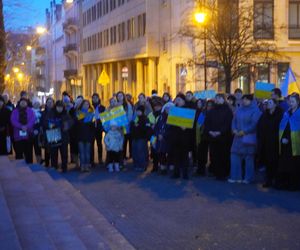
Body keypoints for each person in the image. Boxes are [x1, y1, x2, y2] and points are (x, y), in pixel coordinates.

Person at [229, 94, 262, 184]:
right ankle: (235, 176)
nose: (244, 101)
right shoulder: (239, 109)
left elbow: (254, 124)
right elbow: (234, 120)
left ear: (251, 101)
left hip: (248, 137)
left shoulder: (256, 111)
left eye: (246, 99)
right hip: (237, 137)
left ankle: (248, 178)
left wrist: (244, 131)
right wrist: (234, 129)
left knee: (249, 158)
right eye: (243, 99)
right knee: (234, 155)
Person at [204, 94, 233, 180]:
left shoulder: (227, 110)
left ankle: (223, 173)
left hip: (223, 137)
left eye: (219, 98)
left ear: (223, 100)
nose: (217, 100)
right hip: (213, 136)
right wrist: (210, 131)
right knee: (214, 155)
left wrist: (220, 132)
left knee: (223, 155)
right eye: (216, 98)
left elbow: (228, 123)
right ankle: (216, 172)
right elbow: (207, 122)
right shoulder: (211, 110)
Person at [276, 93, 300, 191]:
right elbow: (283, 126)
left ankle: (293, 185)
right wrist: (282, 138)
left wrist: (289, 139)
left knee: (294, 165)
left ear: (298, 102)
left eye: (293, 101)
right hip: (284, 142)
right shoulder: (286, 113)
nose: (290, 103)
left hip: (295, 143)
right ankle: (284, 183)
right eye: (290, 101)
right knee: (284, 164)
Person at [257, 98, 283, 188]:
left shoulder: (280, 115)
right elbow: (260, 126)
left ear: (275, 104)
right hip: (266, 142)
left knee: (275, 162)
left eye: (270, 103)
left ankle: (276, 180)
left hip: (276, 142)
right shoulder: (265, 115)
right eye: (268, 103)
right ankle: (268, 180)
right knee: (267, 162)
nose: (268, 104)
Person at [45, 101, 73, 172]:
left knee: (64, 152)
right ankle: (54, 166)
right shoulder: (51, 113)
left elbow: (70, 123)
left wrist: (64, 126)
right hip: (54, 135)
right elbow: (46, 122)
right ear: (56, 107)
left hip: (63, 136)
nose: (59, 109)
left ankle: (64, 167)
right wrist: (50, 125)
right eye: (58, 107)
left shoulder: (66, 114)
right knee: (54, 152)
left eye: (61, 107)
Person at [167, 93, 191, 179]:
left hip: (184, 137)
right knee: (176, 155)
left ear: (183, 101)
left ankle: (185, 173)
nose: (177, 101)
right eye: (176, 99)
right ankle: (176, 173)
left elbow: (189, 124)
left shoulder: (187, 109)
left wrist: (183, 125)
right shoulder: (174, 109)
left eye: (179, 100)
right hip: (175, 136)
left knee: (184, 156)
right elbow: (170, 122)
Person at [10, 98, 35, 163]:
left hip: (28, 135)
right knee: (19, 153)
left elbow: (32, 120)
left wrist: (26, 126)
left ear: (27, 103)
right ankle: (19, 168)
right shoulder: (15, 111)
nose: (23, 103)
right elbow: (13, 120)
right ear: (19, 102)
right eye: (22, 102)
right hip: (18, 136)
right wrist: (21, 126)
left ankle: (29, 166)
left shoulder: (30, 111)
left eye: (25, 102)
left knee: (28, 153)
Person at [131, 105, 152, 171]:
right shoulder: (135, 118)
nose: (138, 112)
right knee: (135, 151)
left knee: (141, 151)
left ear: (142, 112)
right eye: (137, 111)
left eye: (139, 111)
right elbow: (132, 126)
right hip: (135, 137)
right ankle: (136, 164)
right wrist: (134, 126)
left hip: (142, 137)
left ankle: (143, 165)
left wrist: (138, 126)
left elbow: (146, 128)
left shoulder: (145, 118)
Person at [76, 100, 95, 172]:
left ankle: (87, 165)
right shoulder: (79, 113)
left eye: (87, 104)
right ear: (82, 105)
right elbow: (77, 124)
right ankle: (82, 165)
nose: (86, 105)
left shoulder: (91, 114)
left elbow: (93, 126)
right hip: (80, 135)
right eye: (84, 104)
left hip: (88, 135)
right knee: (81, 152)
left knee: (87, 152)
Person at [116, 91, 133, 160]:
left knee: (125, 140)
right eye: (118, 96)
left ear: (123, 97)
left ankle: (124, 156)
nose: (120, 97)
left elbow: (130, 115)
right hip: (118, 127)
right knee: (120, 142)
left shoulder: (128, 105)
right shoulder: (116, 104)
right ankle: (121, 157)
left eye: (121, 96)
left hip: (126, 126)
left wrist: (125, 122)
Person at [91, 93, 106, 166]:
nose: (95, 99)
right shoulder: (90, 107)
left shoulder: (102, 107)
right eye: (93, 98)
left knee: (99, 144)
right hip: (91, 128)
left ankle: (100, 159)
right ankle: (92, 160)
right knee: (91, 144)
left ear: (98, 98)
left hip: (99, 128)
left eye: (96, 97)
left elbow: (104, 117)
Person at [41, 97, 55, 167]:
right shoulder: (43, 112)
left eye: (51, 102)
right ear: (46, 103)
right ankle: (47, 163)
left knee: (53, 148)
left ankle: (53, 163)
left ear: (53, 103)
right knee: (47, 149)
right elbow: (42, 122)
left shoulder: (55, 112)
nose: (50, 104)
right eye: (48, 102)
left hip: (54, 132)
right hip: (46, 132)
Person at [32, 97, 43, 164]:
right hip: (32, 131)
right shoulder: (31, 111)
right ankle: (37, 159)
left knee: (39, 146)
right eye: (35, 103)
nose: (37, 105)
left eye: (38, 103)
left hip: (39, 131)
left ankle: (40, 159)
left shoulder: (41, 112)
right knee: (35, 146)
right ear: (33, 104)